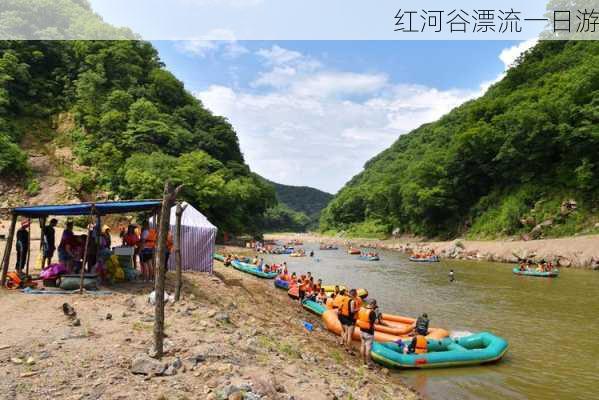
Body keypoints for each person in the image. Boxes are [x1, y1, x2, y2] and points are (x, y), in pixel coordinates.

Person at [357, 299, 381, 367]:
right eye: (375, 305)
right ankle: (368, 363)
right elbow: (376, 322)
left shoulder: (361, 309)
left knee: (362, 345)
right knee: (368, 348)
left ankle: (363, 361)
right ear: (373, 304)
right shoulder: (372, 312)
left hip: (361, 330)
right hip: (369, 333)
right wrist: (377, 314)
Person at [338, 289, 357, 353]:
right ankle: (349, 349)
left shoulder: (344, 298)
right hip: (348, 319)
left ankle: (342, 342)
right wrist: (358, 309)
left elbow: (340, 307)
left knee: (344, 331)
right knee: (349, 334)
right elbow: (352, 311)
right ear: (355, 294)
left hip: (342, 317)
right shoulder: (352, 301)